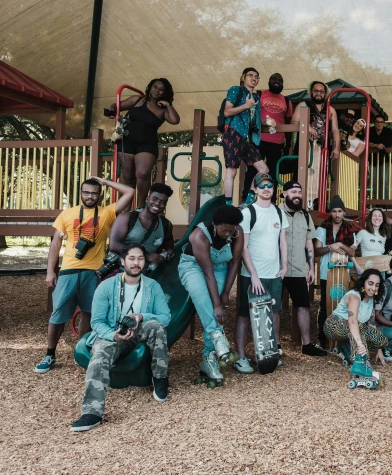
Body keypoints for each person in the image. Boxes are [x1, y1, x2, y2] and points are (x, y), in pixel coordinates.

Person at [35, 176, 135, 374]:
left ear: (100, 195)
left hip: (94, 271)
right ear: (81, 193)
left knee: (90, 314)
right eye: (86, 192)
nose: (90, 196)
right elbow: (55, 244)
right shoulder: (67, 214)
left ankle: (80, 352)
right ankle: (49, 354)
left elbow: (130, 192)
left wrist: (105, 182)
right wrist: (50, 271)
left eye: (94, 193)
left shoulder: (106, 213)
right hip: (69, 270)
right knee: (58, 314)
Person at [70, 245, 171, 432]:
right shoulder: (106, 286)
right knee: (99, 357)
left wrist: (142, 316)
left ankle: (160, 377)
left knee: (157, 327)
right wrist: (112, 335)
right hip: (111, 334)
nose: (136, 263)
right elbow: (97, 322)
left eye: (140, 258)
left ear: (145, 261)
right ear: (123, 261)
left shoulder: (152, 286)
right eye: (131, 258)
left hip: (138, 331)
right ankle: (92, 412)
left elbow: (166, 317)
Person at [178, 205, 243, 386]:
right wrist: (216, 303)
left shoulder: (237, 232)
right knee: (204, 299)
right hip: (193, 266)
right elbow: (208, 274)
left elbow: (235, 263)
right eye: (224, 230)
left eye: (231, 231)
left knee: (219, 308)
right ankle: (217, 336)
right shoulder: (199, 235)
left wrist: (225, 295)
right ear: (215, 224)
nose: (228, 234)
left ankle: (209, 358)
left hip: (220, 267)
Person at [234, 174, 288, 373]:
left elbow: (282, 241)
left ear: (274, 190)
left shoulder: (279, 213)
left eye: (270, 186)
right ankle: (241, 357)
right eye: (262, 186)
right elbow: (243, 247)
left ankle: (269, 353)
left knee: (274, 314)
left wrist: (285, 267)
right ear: (255, 189)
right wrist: (254, 275)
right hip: (251, 275)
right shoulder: (248, 213)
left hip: (274, 274)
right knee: (245, 316)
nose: (266, 189)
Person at [106, 78, 180, 205]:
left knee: (143, 174)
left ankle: (140, 207)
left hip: (147, 144)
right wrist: (112, 109)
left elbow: (175, 120)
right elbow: (117, 105)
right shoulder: (137, 99)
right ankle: (125, 208)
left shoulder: (163, 109)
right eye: (155, 87)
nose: (157, 91)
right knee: (128, 178)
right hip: (127, 141)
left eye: (161, 89)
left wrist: (168, 104)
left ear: (165, 93)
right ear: (150, 87)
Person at [280, 180, 326, 356]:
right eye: (293, 192)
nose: (297, 195)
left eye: (299, 192)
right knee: (274, 307)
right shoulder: (275, 213)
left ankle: (306, 345)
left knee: (303, 305)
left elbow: (309, 244)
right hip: (276, 269)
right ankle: (275, 345)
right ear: (284, 194)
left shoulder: (305, 216)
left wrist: (311, 268)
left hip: (298, 269)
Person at [323, 269, 389, 376]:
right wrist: (359, 343)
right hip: (333, 325)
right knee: (359, 327)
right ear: (363, 282)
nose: (373, 288)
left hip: (354, 328)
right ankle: (360, 364)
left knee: (381, 339)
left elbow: (371, 324)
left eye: (377, 285)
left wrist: (379, 349)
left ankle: (346, 347)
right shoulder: (355, 296)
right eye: (370, 283)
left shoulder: (371, 299)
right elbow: (352, 321)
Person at [221, 67, 270, 205]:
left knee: (263, 169)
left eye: (256, 76)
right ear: (243, 77)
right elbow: (227, 112)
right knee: (232, 171)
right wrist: (246, 105)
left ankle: (247, 202)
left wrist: (268, 123)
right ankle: (229, 206)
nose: (254, 78)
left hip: (247, 138)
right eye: (250, 75)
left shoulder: (255, 98)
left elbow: (254, 120)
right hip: (233, 133)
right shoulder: (236, 90)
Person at [314, 195, 358, 348]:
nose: (337, 214)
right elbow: (317, 251)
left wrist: (339, 244)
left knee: (342, 306)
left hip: (343, 273)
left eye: (340, 211)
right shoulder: (322, 228)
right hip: (327, 272)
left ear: (344, 212)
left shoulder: (350, 229)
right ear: (330, 212)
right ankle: (323, 340)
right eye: (334, 211)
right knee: (326, 305)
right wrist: (329, 247)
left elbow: (352, 252)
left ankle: (340, 341)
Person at [242, 72, 293, 201]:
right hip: (258, 140)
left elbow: (289, 123)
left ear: (283, 84)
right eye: (274, 79)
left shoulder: (287, 101)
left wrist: (288, 145)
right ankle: (246, 198)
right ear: (268, 81)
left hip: (278, 142)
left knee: (272, 173)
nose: (277, 81)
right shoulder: (259, 94)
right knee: (253, 170)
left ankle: (271, 200)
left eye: (280, 80)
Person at [290, 81, 341, 210]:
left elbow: (335, 130)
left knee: (321, 177)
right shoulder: (303, 105)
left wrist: (336, 148)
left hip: (322, 149)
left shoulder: (330, 109)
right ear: (311, 92)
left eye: (321, 91)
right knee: (300, 176)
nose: (319, 93)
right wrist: (307, 127)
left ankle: (317, 206)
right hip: (304, 147)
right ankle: (297, 204)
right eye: (316, 91)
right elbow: (294, 122)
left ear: (326, 93)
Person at [106, 182, 175, 277]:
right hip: (118, 271)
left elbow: (169, 246)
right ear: (147, 199)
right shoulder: (127, 217)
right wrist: (146, 256)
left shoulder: (165, 225)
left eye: (163, 202)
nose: (158, 203)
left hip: (143, 276)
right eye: (155, 199)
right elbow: (114, 245)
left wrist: (169, 252)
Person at [352, 208, 391, 274]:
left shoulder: (384, 236)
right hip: (365, 269)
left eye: (379, 216)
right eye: (374, 215)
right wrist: (357, 266)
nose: (377, 218)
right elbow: (350, 250)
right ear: (370, 218)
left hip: (380, 270)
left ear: (383, 219)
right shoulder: (363, 233)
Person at [368, 115, 392, 199]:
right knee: (374, 181)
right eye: (377, 122)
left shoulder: (388, 131)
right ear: (374, 123)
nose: (379, 124)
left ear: (384, 123)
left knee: (385, 180)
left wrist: (373, 144)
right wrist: (376, 145)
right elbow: (365, 142)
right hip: (372, 159)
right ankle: (376, 201)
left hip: (384, 159)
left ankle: (384, 201)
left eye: (381, 122)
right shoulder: (369, 130)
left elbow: (388, 143)